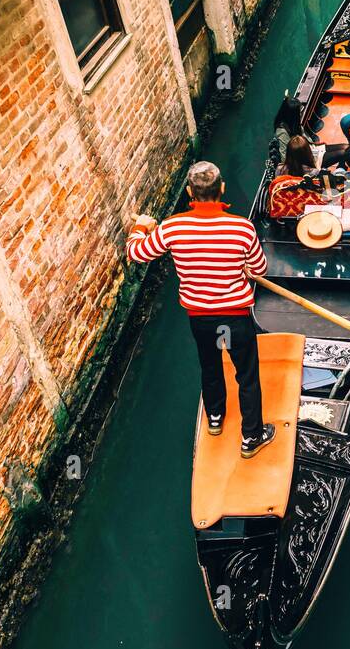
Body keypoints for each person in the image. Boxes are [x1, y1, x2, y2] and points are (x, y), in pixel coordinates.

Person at [126, 160, 275, 458]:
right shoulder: (241, 228)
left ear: (190, 192)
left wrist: (141, 225)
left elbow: (136, 252)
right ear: (221, 188)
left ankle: (216, 419)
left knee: (210, 366)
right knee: (246, 375)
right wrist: (238, 265)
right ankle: (251, 437)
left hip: (201, 319)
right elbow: (260, 267)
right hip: (235, 318)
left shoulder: (172, 228)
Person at [272, 93, 317, 166]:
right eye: (299, 111)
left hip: (308, 153)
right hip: (301, 163)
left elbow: (305, 138)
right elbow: (284, 157)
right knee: (341, 151)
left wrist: (313, 149)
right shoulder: (282, 132)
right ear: (293, 115)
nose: (300, 113)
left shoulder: (293, 125)